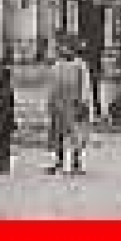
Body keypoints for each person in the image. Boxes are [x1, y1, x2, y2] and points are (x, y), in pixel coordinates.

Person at [46, 37, 91, 174]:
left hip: (74, 104)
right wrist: (50, 103)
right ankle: (58, 162)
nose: (63, 50)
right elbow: (52, 86)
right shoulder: (56, 65)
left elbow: (85, 85)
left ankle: (76, 162)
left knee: (76, 134)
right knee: (57, 134)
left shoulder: (80, 65)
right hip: (59, 104)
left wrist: (83, 103)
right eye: (61, 48)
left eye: (66, 48)